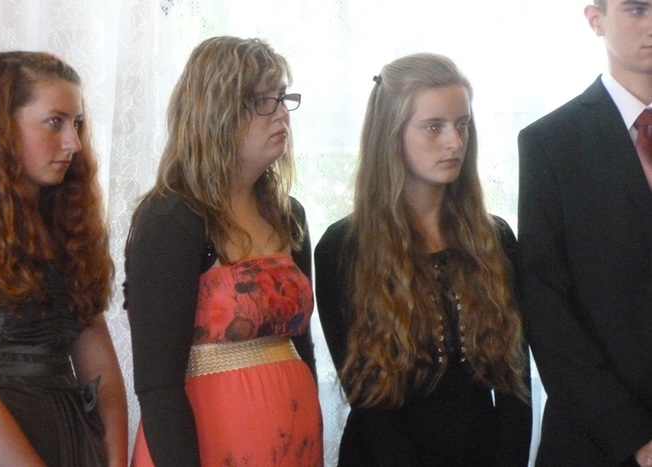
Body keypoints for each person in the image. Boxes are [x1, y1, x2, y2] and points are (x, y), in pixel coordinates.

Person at [314, 52, 532, 466]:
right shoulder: (343, 248)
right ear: (391, 134)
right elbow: (368, 401)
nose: (455, 142)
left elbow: (515, 388)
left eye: (462, 124)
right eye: (434, 127)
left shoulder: (494, 239)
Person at [124, 36, 323, 466]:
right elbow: (157, 386)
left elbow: (302, 349)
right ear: (215, 112)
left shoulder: (290, 216)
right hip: (204, 446)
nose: (282, 113)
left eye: (282, 97)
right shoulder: (171, 220)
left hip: (294, 443)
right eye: (262, 101)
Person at [0, 51, 128, 466]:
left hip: (72, 442)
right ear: (2, 126)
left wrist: (115, 461)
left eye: (77, 123)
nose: (73, 142)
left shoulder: (67, 227)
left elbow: (101, 370)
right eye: (55, 121)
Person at [517, 1, 652, 465]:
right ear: (596, 20)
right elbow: (546, 307)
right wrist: (633, 437)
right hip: (596, 440)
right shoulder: (551, 143)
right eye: (637, 9)